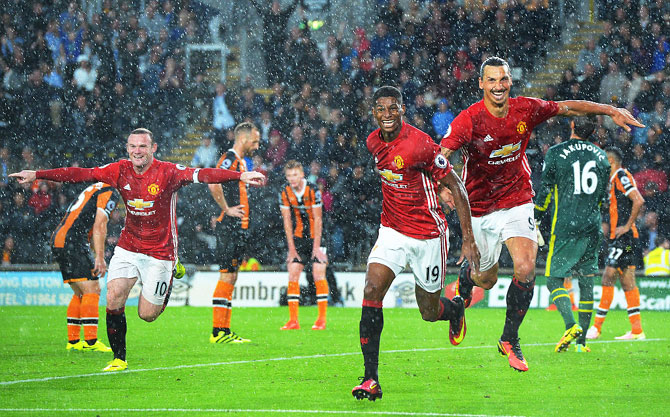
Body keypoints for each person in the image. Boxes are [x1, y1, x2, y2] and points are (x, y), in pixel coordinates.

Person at [440, 56, 643, 372]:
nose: (498, 86)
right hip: (479, 207)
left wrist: (609, 110)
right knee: (488, 279)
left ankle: (509, 339)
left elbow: (568, 107)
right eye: (491, 80)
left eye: (503, 79)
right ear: (481, 83)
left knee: (525, 268)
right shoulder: (469, 120)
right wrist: (443, 187)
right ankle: (466, 284)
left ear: (510, 81)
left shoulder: (525, 109)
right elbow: (442, 156)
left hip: (517, 199)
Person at [10, 128, 265, 372]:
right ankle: (119, 358)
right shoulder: (119, 170)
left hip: (160, 252)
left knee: (147, 314)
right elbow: (80, 173)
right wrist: (38, 174)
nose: (137, 151)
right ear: (127, 149)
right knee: (113, 296)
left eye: (143, 146)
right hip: (128, 246)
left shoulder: (169, 172)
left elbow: (205, 174)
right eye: (133, 146)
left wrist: (240, 176)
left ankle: (169, 276)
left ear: (153, 148)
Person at [352, 86, 479, 401]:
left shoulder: (420, 144)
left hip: (427, 235)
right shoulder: (372, 142)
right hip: (392, 230)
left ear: (402, 109)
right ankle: (370, 379)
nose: (386, 115)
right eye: (380, 109)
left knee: (428, 311)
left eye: (392, 108)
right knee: (371, 291)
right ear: (374, 113)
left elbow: (456, 184)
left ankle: (454, 309)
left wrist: (468, 238)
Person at [534, 116, 610, 353]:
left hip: (566, 224)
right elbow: (601, 196)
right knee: (587, 281)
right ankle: (582, 344)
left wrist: (536, 215)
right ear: (593, 132)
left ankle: (570, 324)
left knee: (553, 279)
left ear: (572, 127)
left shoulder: (556, 153)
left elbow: (546, 189)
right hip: (592, 224)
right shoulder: (601, 156)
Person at [208, 122, 261, 344]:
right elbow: (213, 182)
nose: (257, 146)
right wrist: (226, 209)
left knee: (232, 275)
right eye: (255, 141)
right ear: (243, 139)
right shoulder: (229, 158)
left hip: (238, 229)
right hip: (228, 227)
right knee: (227, 274)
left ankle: (225, 330)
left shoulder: (240, 162)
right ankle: (218, 332)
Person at [586, 147, 646, 341]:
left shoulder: (621, 175)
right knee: (627, 280)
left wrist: (627, 226)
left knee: (608, 276)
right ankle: (637, 330)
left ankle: (596, 327)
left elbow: (638, 200)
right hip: (621, 238)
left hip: (625, 239)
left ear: (610, 162)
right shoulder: (614, 180)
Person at [54, 182, 120, 353]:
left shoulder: (96, 187)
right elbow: (100, 224)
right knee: (93, 289)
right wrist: (99, 257)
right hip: (73, 241)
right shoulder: (109, 190)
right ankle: (91, 342)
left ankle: (74, 341)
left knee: (80, 292)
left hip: (60, 238)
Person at [279, 160, 328, 331]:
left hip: (318, 236)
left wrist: (316, 247)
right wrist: (291, 248)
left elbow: (318, 219)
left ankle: (321, 319)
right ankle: (293, 321)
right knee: (293, 273)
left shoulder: (313, 190)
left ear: (302, 174)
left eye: (295, 175)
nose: (292, 179)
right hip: (299, 236)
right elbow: (287, 221)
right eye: (289, 175)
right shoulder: (284, 191)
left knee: (318, 273)